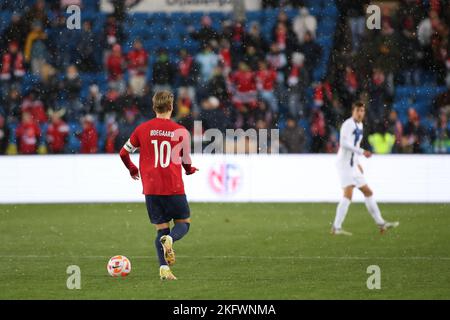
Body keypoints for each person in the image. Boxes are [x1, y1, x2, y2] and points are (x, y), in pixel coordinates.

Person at [119, 91, 198, 280]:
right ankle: (171, 239)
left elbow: (123, 153)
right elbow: (185, 158)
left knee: (161, 229)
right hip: (173, 187)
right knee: (183, 223)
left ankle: (164, 269)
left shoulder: (142, 129)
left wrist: (132, 169)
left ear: (154, 107)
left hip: (152, 189)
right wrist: (189, 169)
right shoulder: (180, 131)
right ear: (171, 107)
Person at [332, 102, 399, 235]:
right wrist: (362, 152)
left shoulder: (360, 125)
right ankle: (336, 227)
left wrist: (357, 163)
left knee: (368, 192)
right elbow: (344, 143)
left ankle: (381, 223)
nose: (360, 113)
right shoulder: (348, 124)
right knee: (348, 195)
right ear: (353, 111)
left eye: (362, 111)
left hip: (353, 165)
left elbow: (354, 144)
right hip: (344, 165)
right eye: (358, 110)